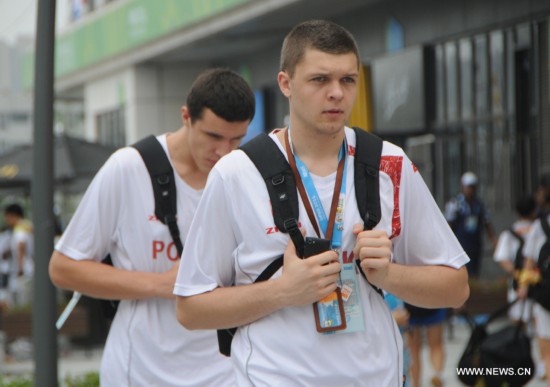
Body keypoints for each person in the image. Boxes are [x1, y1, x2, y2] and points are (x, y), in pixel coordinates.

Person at [174, 20, 469, 385]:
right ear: (286, 84)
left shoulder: (389, 163)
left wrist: (390, 274)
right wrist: (283, 291)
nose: (336, 93)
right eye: (319, 80)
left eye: (348, 80)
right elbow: (190, 308)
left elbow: (456, 287)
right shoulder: (236, 173)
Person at [49, 68, 255, 386]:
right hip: (141, 372)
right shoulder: (129, 167)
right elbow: (63, 268)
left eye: (236, 139)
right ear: (186, 116)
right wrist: (160, 284)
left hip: (225, 372)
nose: (225, 152)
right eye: (213, 137)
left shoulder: (242, 175)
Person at [520, 192, 550, 385]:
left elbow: (529, 261)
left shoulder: (540, 225)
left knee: (546, 343)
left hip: (545, 293)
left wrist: (523, 285)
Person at [493, 195, 537, 323]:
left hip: (516, 284)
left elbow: (502, 259)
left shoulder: (508, 233)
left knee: (517, 322)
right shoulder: (541, 230)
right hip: (539, 282)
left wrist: (518, 273)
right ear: (534, 210)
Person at [445, 172, 497, 278]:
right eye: (468, 187)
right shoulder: (455, 204)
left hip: (475, 244)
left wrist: (494, 241)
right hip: (460, 244)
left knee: (474, 271)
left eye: (473, 187)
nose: (470, 190)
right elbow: (448, 225)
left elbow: (487, 224)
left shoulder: (480, 205)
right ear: (462, 187)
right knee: (461, 272)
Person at [405, 304, 446, 387]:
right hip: (433, 301)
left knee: (413, 349)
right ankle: (437, 373)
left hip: (410, 304)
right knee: (436, 345)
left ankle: (416, 383)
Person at [3, 203, 33, 307]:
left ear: (12, 215)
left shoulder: (20, 228)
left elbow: (21, 246)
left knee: (22, 300)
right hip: (29, 267)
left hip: (25, 269)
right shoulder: (27, 226)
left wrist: (20, 268)